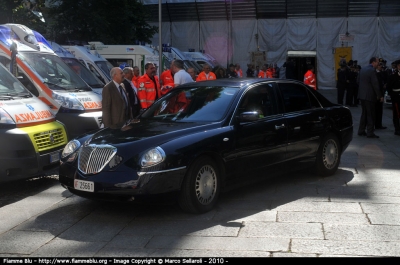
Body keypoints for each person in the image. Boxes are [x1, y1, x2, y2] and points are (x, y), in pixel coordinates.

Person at [357, 57, 383, 138]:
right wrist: (380, 95)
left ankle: (361, 130)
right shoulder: (372, 71)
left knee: (364, 114)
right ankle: (370, 132)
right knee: (371, 114)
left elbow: (357, 81)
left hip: (362, 95)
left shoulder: (363, 69)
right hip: (370, 96)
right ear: (373, 62)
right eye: (377, 62)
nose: (378, 64)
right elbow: (375, 84)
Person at [387, 60, 400, 136]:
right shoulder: (393, 76)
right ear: (398, 66)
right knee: (396, 113)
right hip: (396, 97)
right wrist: (393, 96)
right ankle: (397, 129)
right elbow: (389, 87)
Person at [375, 62, 387, 129]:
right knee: (376, 110)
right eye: (379, 65)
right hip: (377, 94)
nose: (381, 67)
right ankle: (376, 124)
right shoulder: (375, 73)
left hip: (381, 93)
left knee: (380, 110)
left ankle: (379, 124)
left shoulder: (381, 73)